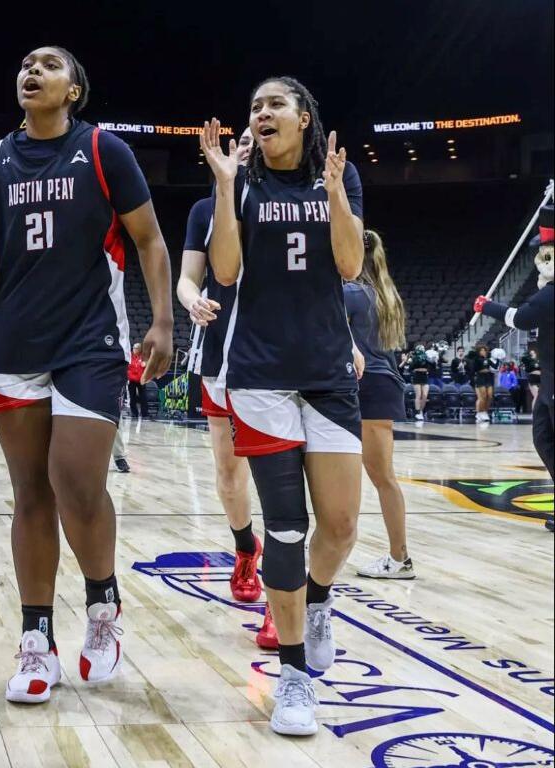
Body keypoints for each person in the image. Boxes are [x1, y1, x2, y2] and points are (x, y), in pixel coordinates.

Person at [0, 46, 174, 705]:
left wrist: (163, 321)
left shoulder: (105, 150)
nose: (32, 71)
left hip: (90, 340)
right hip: (17, 342)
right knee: (30, 494)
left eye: (49, 65)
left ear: (74, 88)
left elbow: (151, 240)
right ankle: (35, 639)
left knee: (75, 481)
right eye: (24, 63)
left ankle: (103, 608)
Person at [200, 75, 365, 736]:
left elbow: (351, 267)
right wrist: (222, 184)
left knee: (343, 525)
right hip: (261, 376)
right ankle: (294, 675)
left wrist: (333, 196)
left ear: (303, 117)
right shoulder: (241, 182)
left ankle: (318, 599)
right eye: (254, 106)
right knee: (289, 527)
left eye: (274, 104)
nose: (261, 113)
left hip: (326, 371)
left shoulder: (339, 178)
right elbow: (226, 271)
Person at [177, 125, 277, 650]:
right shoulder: (203, 211)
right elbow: (187, 278)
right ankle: (245, 547)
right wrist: (191, 298)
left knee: (278, 472)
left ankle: (285, 593)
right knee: (227, 469)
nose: (246, 146)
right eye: (239, 140)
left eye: (253, 142)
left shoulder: (282, 200)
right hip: (219, 350)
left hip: (277, 352)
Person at [476, 204, 553, 532]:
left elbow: (523, 318)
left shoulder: (551, 293)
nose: (540, 259)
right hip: (550, 374)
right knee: (543, 437)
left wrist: (488, 306)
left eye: (545, 252)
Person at [346, 230, 413, 579]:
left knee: (367, 476)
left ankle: (399, 558)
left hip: (365, 385)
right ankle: (398, 557)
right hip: (385, 384)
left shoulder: (351, 293)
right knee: (383, 477)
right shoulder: (386, 293)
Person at [468, 344, 496, 423]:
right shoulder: (476, 359)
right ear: (479, 352)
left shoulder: (488, 359)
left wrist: (497, 360)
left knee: (490, 396)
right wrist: (482, 370)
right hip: (480, 378)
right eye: (481, 350)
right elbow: (474, 370)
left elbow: (494, 367)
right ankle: (481, 412)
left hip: (488, 379)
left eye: (484, 350)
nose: (483, 352)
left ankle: (485, 411)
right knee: (483, 396)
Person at [407, 344, 433, 421]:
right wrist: (420, 369)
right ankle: (418, 412)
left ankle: (421, 411)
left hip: (425, 377)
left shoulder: (427, 358)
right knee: (418, 395)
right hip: (417, 378)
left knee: (425, 395)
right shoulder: (414, 358)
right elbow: (411, 368)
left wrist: (418, 369)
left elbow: (429, 369)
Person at [125, 343, 149, 418]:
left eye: (136, 348)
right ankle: (134, 413)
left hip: (141, 380)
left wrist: (146, 364)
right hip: (131, 380)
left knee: (143, 397)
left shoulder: (143, 357)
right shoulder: (129, 357)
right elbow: (126, 367)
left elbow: (148, 366)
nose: (134, 349)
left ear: (140, 349)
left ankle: (144, 414)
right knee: (132, 397)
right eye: (134, 348)